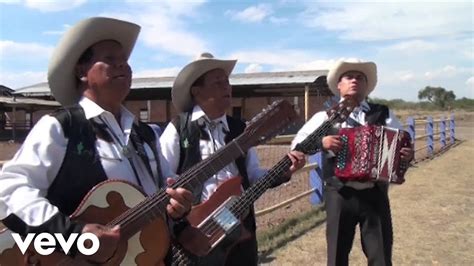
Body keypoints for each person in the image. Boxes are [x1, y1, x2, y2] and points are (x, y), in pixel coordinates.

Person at [0, 17, 204, 264]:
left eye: (125, 61)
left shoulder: (146, 135)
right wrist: (73, 236)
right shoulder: (63, 127)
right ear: (81, 71)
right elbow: (9, 190)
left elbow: (165, 193)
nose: (123, 66)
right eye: (110, 59)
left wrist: (178, 209)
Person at [160, 52, 306, 265]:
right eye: (218, 82)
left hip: (237, 226)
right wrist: (180, 227)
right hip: (194, 232)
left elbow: (253, 175)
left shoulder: (240, 129)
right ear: (196, 90)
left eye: (227, 82)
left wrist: (284, 171)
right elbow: (163, 184)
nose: (227, 87)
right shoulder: (178, 129)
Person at [292, 60, 414, 266]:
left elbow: (403, 144)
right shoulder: (325, 117)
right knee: (337, 256)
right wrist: (322, 142)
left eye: (360, 77)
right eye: (349, 77)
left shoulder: (383, 114)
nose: (354, 81)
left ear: (367, 86)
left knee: (381, 257)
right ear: (339, 85)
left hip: (375, 194)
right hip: (340, 194)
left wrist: (406, 154)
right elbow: (297, 145)